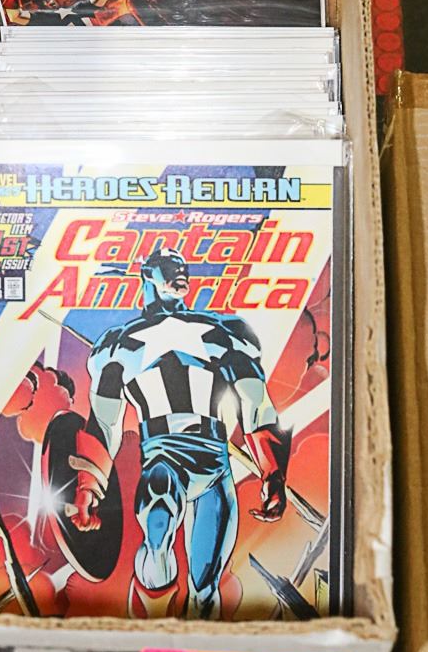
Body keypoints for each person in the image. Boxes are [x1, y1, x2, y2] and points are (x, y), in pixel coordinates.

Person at [67, 247, 291, 618]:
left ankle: (195, 644)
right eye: (170, 266)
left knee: (205, 586)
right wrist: (89, 484)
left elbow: (255, 399)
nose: (180, 272)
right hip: (162, 455)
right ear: (147, 274)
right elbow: (105, 422)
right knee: (157, 535)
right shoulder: (117, 345)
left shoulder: (223, 332)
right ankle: (150, 631)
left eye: (183, 266)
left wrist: (273, 470)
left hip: (214, 463)